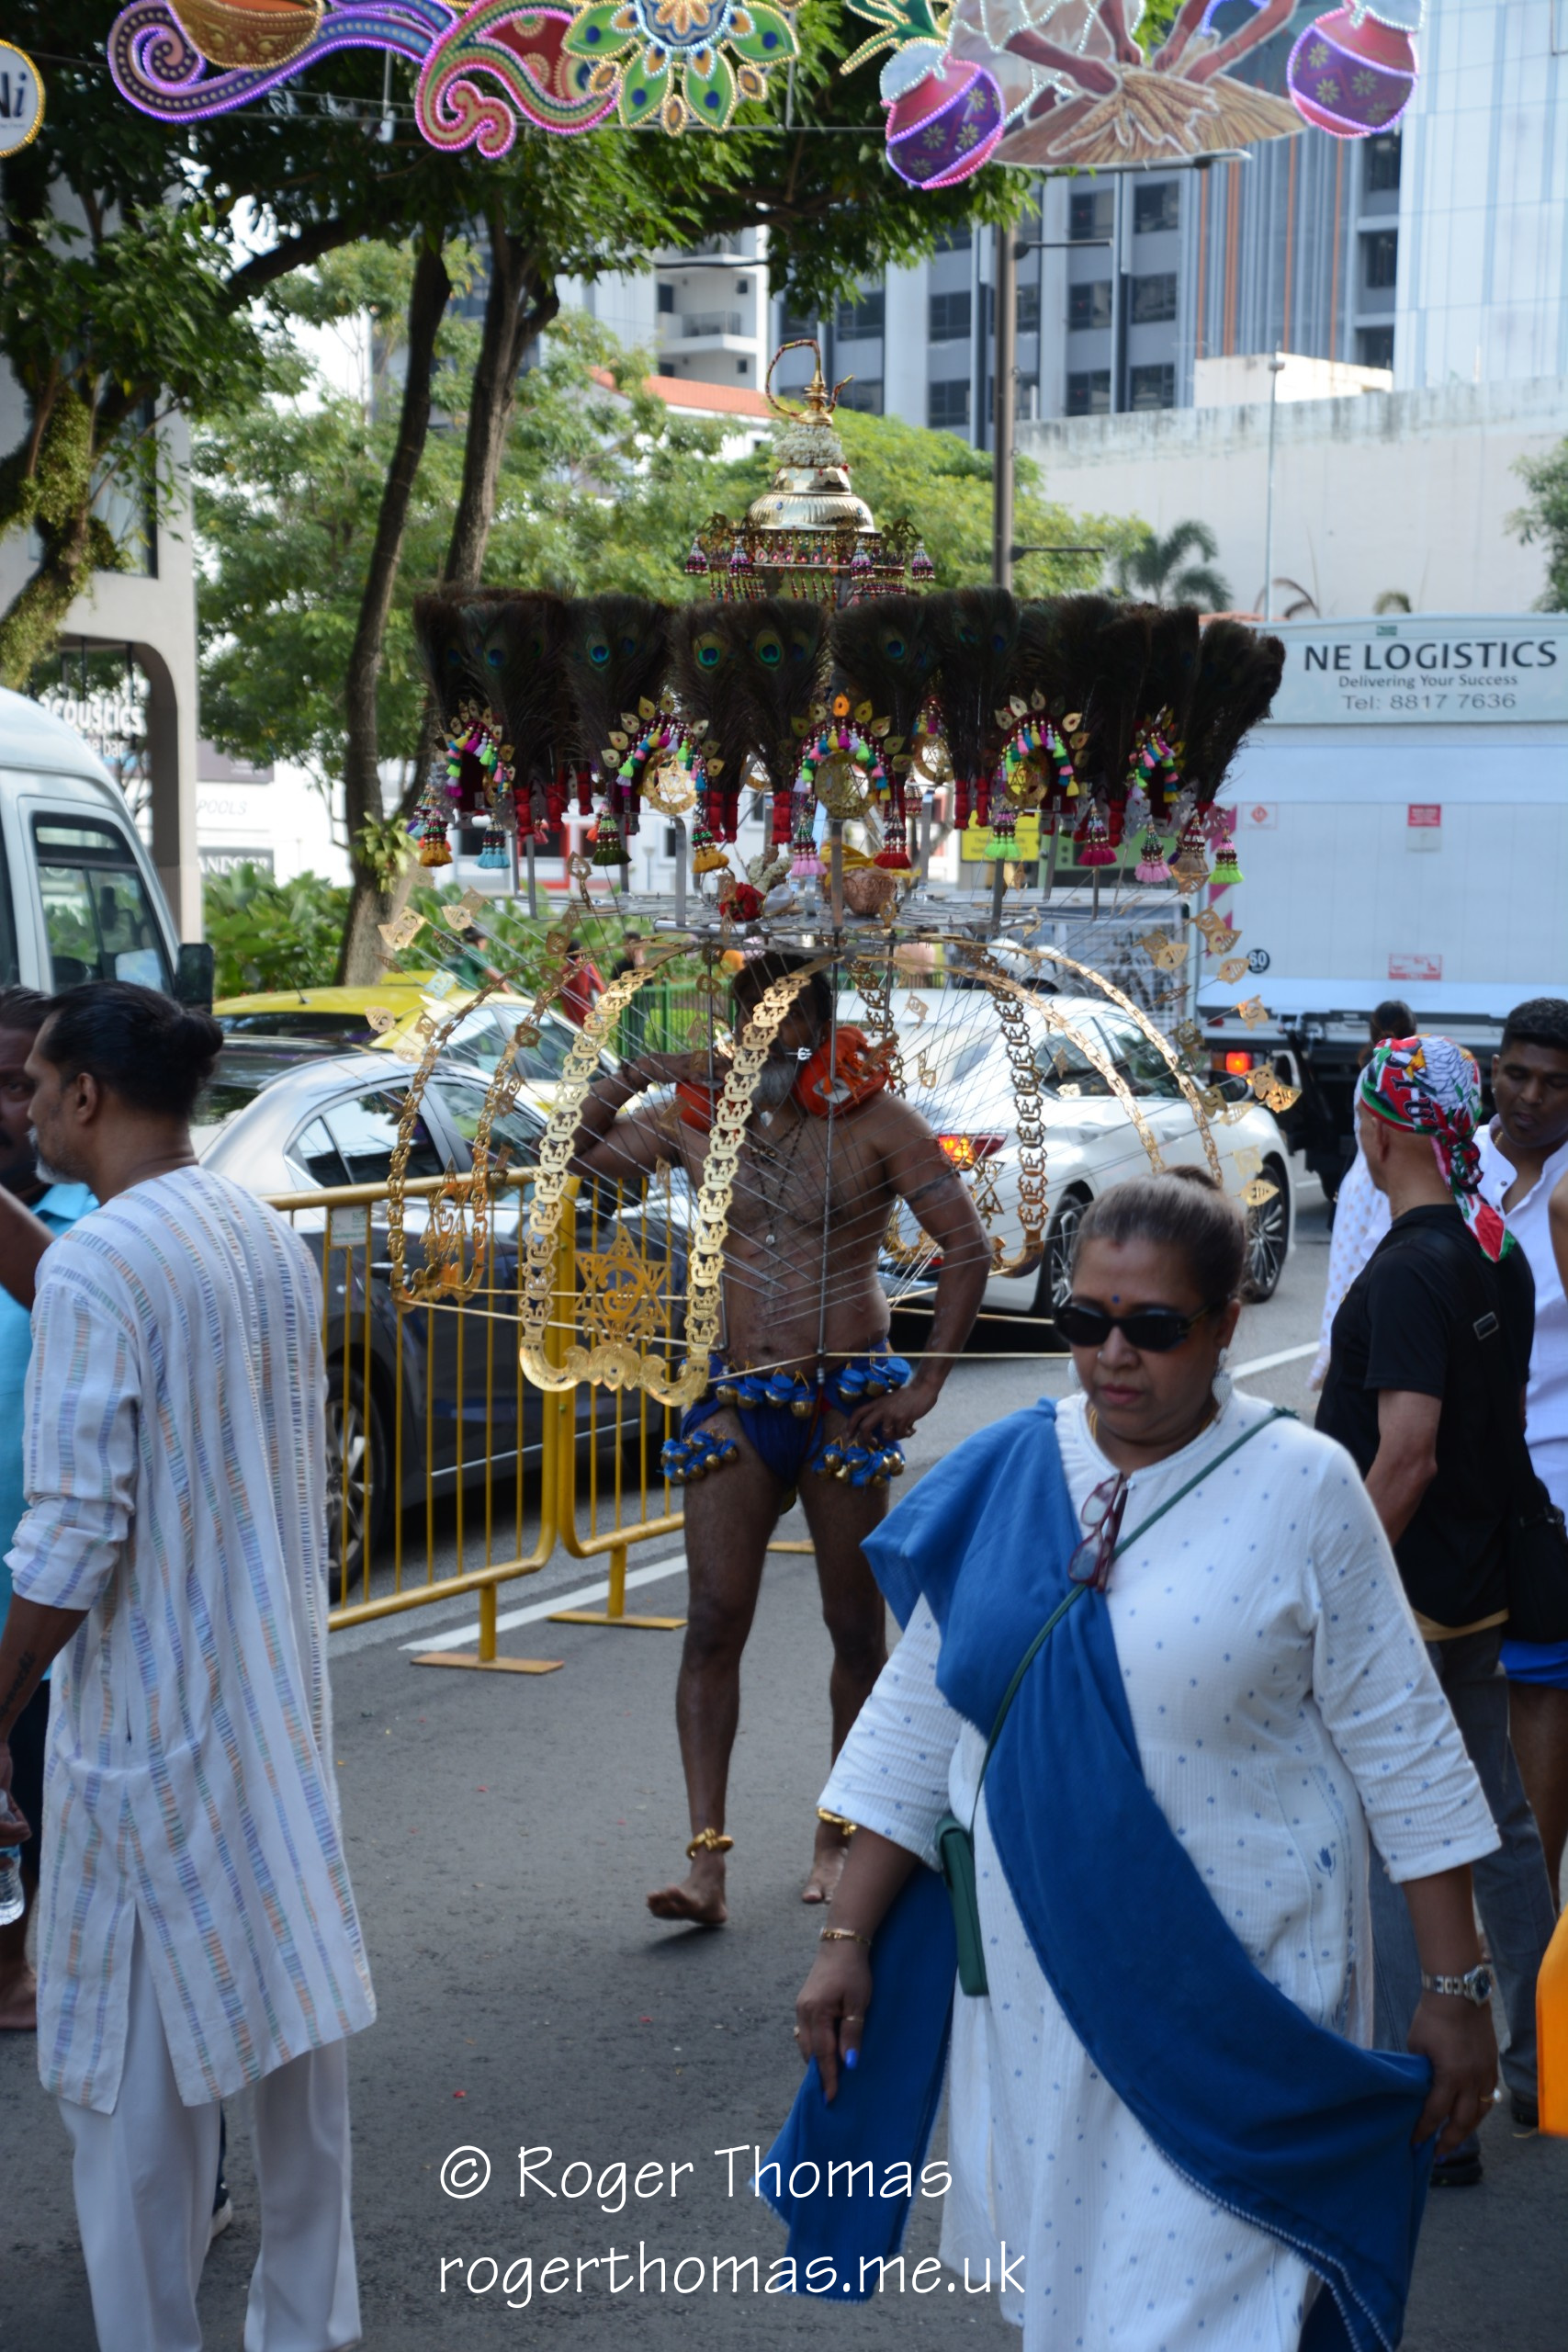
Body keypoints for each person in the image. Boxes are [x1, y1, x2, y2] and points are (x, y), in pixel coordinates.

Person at [781, 1169, 1499, 2350]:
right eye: (1084, 1321)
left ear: (1225, 1326)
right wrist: (844, 1939)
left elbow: (1408, 1748)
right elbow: (921, 1726)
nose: (1114, 1354)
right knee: (1080, 2290)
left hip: (1241, 1984)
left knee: (1210, 2297)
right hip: (1043, 1992)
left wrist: (1457, 1988)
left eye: (1153, 1327)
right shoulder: (1010, 1470)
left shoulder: (1306, 1487)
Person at [0, 981, 376, 2352]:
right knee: (293, 2075)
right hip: (270, 1727)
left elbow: (73, 1535)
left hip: (148, 1743)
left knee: (129, 2113)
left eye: (37, 1088)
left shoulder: (104, 1261)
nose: (29, 1111)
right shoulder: (257, 1235)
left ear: (86, 1097)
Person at [567, 950, 988, 1923]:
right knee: (714, 1618)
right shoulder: (696, 1121)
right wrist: (628, 1075)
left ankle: (839, 1835)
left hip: (848, 1400)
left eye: (790, 1026)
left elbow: (964, 1248)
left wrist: (925, 1386)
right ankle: (704, 1861)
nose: (771, 1044)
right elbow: (579, 1175)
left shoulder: (880, 1122)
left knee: (852, 1627)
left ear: (823, 1031)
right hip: (730, 1396)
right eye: (753, 1025)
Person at [1315, 1035, 1557, 2167]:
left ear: (1381, 1130)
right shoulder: (1489, 1241)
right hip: (1481, 1578)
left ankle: (1428, 2108)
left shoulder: (1412, 1267)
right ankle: (1540, 2064)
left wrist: (1332, 1583)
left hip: (1409, 1594)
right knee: (1500, 1822)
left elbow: (1403, 1452)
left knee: (1400, 1837)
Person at [0, 987, 93, 2034]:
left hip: (41, 1600)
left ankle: (23, 1972)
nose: (13, 1108)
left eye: (21, 1084)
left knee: (29, 1799)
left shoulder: (95, 1221)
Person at [1475, 998, 1568, 1892]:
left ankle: (1531, 1927)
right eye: (1516, 1073)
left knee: (1537, 1688)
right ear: (1491, 1067)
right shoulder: (1446, 1162)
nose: (1529, 1096)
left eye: (1554, 1081)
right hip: (1448, 1481)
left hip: (1552, 1491)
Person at [1308, 998, 1414, 1390]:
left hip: (1361, 1183)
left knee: (1347, 1279)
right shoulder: (1407, 1072)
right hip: (1391, 1180)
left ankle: (1333, 1362)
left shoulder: (1369, 1069)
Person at [559, 938, 605, 1027]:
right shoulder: (587, 967)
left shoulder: (564, 971)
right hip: (587, 1017)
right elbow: (600, 988)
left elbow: (556, 993)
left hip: (570, 1018)